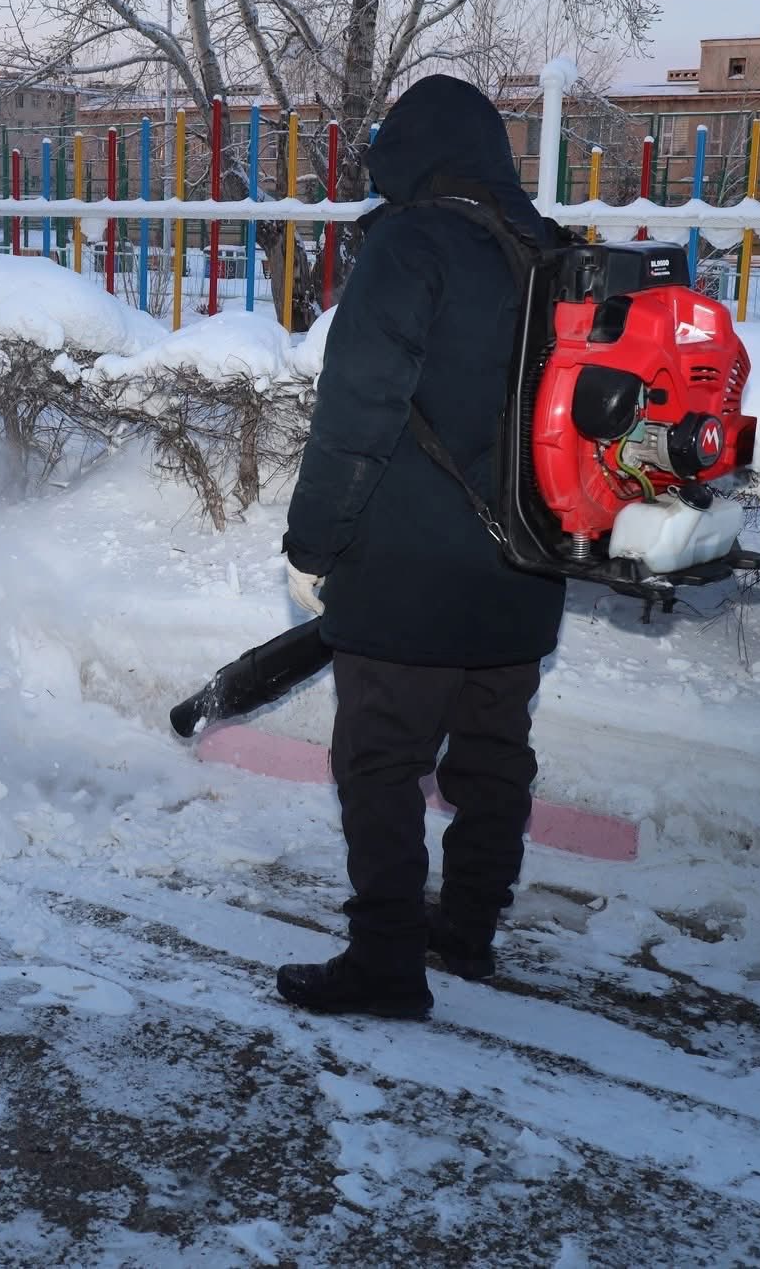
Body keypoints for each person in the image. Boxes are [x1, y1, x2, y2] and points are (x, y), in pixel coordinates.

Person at [276, 74, 568, 1021]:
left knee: (380, 763)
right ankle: (469, 928)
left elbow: (356, 413)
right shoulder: (547, 250)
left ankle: (385, 961)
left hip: (408, 573)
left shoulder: (410, 246)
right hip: (525, 564)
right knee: (493, 756)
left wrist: (312, 544)